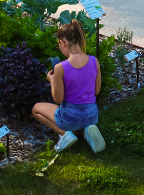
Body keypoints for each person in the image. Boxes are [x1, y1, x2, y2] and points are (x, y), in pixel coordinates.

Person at [32, 19, 106, 152]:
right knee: (80, 120)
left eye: (59, 45)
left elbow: (58, 99)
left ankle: (64, 134)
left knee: (36, 109)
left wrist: (52, 80)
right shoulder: (94, 61)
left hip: (70, 117)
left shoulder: (61, 67)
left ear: (63, 42)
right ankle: (86, 132)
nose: (59, 49)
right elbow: (97, 91)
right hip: (91, 115)